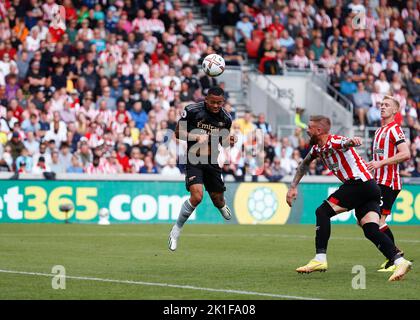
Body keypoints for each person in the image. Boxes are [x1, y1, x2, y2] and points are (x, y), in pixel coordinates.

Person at [286, 115, 412, 282]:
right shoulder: (317, 149)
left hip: (359, 183)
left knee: (322, 212)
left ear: (318, 130)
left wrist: (352, 141)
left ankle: (320, 259)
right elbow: (304, 164)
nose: (307, 131)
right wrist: (293, 186)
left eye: (309, 128)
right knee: (370, 228)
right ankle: (400, 261)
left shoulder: (334, 141)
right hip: (370, 187)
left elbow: (344, 143)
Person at [168, 86, 236, 251]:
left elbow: (224, 142)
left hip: (212, 161)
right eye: (212, 102)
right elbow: (177, 133)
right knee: (197, 196)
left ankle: (221, 205)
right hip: (194, 158)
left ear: (223, 102)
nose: (215, 105)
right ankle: (176, 230)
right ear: (206, 99)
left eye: (219, 103)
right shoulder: (192, 110)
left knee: (217, 200)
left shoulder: (226, 118)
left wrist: (230, 141)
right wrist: (195, 136)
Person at [366, 96, 411, 272]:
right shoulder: (378, 131)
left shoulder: (395, 130)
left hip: (389, 182)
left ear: (395, 111)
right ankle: (394, 256)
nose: (382, 107)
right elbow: (378, 157)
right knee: (367, 221)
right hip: (377, 182)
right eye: (381, 104)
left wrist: (381, 163)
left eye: (387, 105)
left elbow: (405, 153)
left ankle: (395, 257)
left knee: (375, 222)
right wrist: (371, 165)